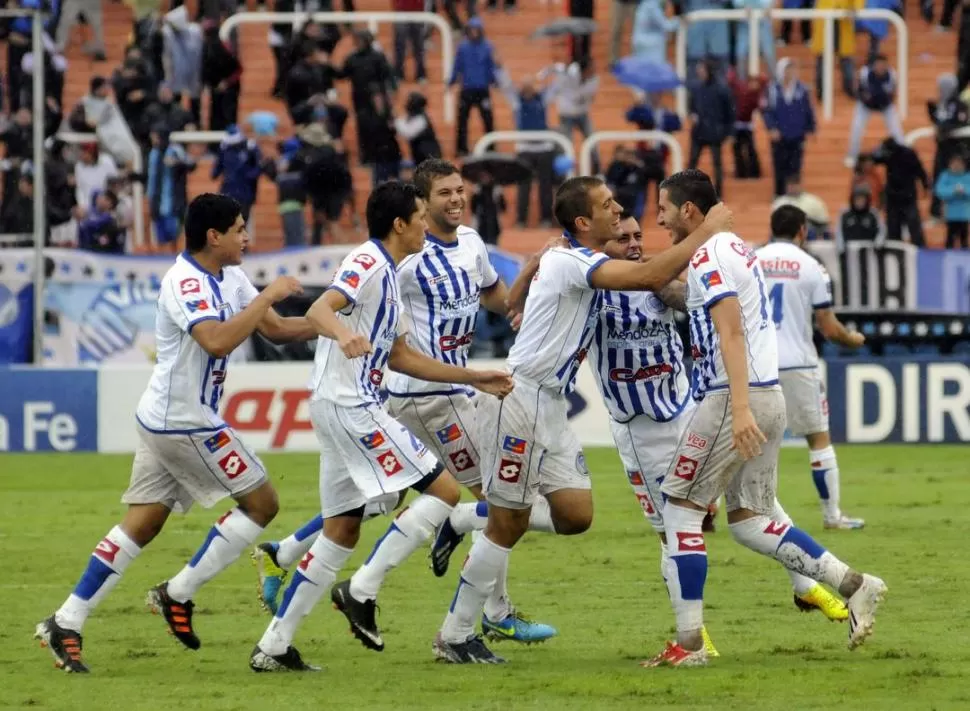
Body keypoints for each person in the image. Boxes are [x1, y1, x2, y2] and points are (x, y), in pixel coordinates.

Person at [432, 175, 734, 664]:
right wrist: (707, 231)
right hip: (521, 398)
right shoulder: (573, 262)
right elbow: (645, 276)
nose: (618, 212)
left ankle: (465, 519)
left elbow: (637, 278)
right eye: (607, 205)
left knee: (575, 516)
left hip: (552, 405)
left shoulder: (573, 257)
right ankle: (455, 633)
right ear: (582, 221)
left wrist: (529, 272)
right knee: (507, 524)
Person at [253, 160, 557, 644]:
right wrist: (339, 334)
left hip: (425, 390)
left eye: (461, 190)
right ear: (417, 209)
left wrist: (531, 273)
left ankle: (285, 558)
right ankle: (488, 611)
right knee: (491, 503)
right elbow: (330, 309)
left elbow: (496, 303)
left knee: (377, 503)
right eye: (442, 195)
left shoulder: (469, 245)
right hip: (424, 399)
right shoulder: (392, 260)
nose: (456, 200)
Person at [34, 193, 314, 674]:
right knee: (263, 503)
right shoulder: (185, 282)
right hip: (186, 422)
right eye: (240, 229)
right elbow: (217, 339)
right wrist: (268, 294)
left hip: (166, 418)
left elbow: (278, 330)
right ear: (214, 236)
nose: (247, 238)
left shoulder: (231, 275)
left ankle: (66, 619)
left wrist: (336, 323)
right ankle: (177, 592)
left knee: (141, 524)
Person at [643, 171, 886, 668]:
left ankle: (689, 645)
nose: (658, 218)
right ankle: (854, 584)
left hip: (735, 396)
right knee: (750, 521)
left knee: (680, 510)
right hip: (768, 391)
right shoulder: (735, 247)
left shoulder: (709, 254)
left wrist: (737, 410)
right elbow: (699, 302)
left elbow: (730, 332)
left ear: (689, 211)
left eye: (663, 208)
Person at [760, 205, 868, 528]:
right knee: (818, 439)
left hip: (757, 365)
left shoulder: (752, 260)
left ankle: (738, 512)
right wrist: (853, 339)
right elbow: (828, 327)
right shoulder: (811, 267)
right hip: (798, 364)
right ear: (802, 230)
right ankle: (832, 516)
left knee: (747, 442)